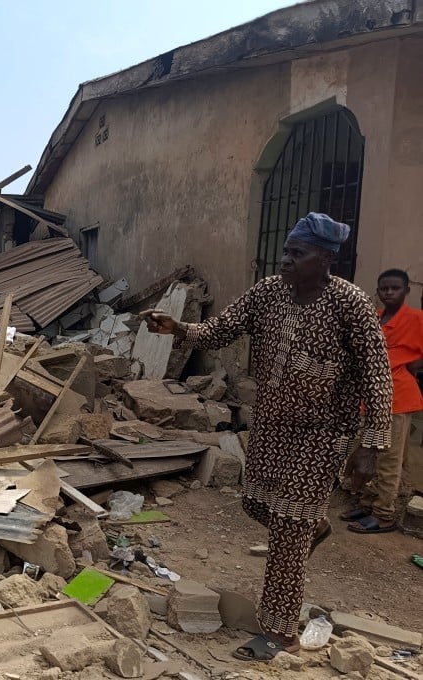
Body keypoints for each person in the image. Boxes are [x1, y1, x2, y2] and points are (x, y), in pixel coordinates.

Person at [140, 212, 392, 662]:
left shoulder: (349, 303)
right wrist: (178, 328)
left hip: (323, 434)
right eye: (286, 251)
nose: (287, 260)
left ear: (327, 257)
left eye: (298, 253)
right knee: (258, 504)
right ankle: (313, 524)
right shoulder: (269, 293)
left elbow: (377, 377)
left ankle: (280, 631)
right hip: (272, 425)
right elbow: (222, 328)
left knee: (286, 530)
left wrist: (371, 446)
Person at [341, 268, 423, 533]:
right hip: (372, 399)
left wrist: (412, 366)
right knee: (371, 455)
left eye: (395, 288)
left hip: (398, 398)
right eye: (384, 288)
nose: (388, 292)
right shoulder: (374, 318)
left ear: (406, 290)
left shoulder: (415, 319)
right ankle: (369, 502)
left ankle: (384, 513)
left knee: (388, 457)